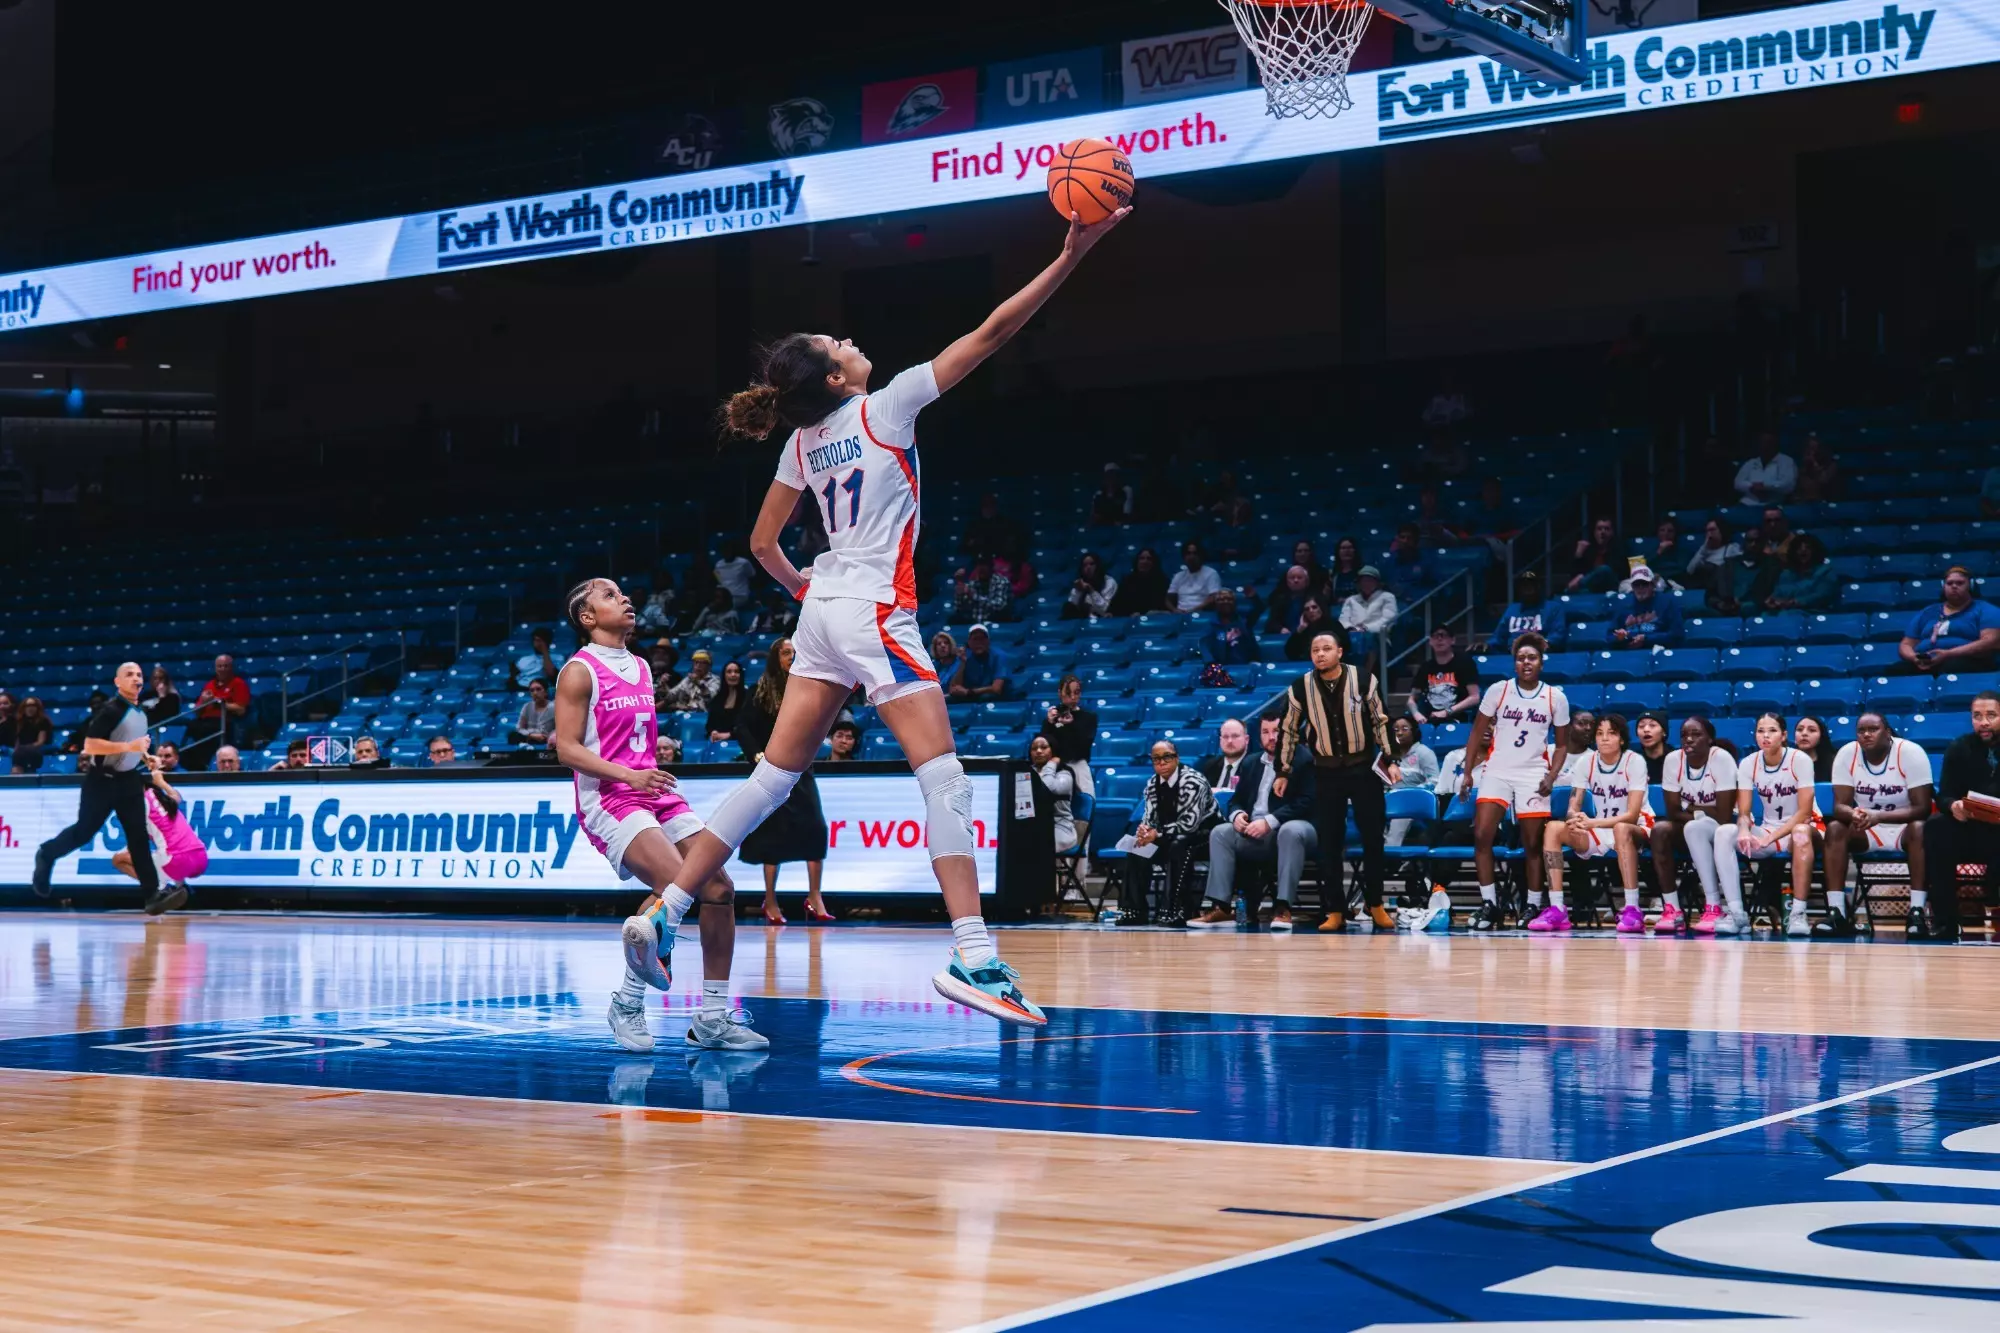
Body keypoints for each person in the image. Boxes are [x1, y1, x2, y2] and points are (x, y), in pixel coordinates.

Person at [650, 206, 1129, 1028]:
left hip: (825, 609)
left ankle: (665, 905)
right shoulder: (888, 405)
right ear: (838, 379)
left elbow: (763, 544)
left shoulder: (801, 442)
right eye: (838, 346)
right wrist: (1072, 253)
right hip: (874, 605)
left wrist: (813, 598)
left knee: (771, 777)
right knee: (942, 775)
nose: (849, 341)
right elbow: (994, 329)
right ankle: (976, 955)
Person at [552, 579, 758, 1054]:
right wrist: (630, 775)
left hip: (654, 792)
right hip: (611, 798)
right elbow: (566, 748)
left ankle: (711, 1017)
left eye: (623, 592)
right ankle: (626, 1003)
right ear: (586, 617)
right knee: (677, 889)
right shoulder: (578, 672)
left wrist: (646, 773)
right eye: (608, 595)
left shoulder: (642, 666)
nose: (624, 598)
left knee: (721, 890)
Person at [1275, 630, 1401, 933]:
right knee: (1329, 842)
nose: (1320, 654)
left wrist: (1391, 758)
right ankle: (1334, 909)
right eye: (1315, 650)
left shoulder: (1362, 679)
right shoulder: (1300, 687)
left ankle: (1376, 904)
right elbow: (1289, 730)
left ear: (1340, 652)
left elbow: (1380, 720)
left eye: (1326, 648)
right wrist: (1283, 771)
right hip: (1326, 771)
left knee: (1373, 838)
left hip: (1362, 769)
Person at [30, 662, 170, 912]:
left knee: (138, 837)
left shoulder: (140, 712)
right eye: (129, 674)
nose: (136, 678)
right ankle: (47, 853)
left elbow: (131, 744)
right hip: (101, 782)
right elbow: (91, 745)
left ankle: (152, 895)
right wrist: (130, 748)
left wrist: (146, 757)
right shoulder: (110, 710)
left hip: (128, 780)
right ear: (118, 682)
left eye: (139, 674)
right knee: (84, 832)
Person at [1457, 633, 1569, 931]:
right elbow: (1474, 734)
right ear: (1514, 663)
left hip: (1532, 773)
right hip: (1497, 770)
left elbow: (1561, 746)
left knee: (1532, 843)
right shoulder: (1499, 691)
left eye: (1532, 658)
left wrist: (1552, 775)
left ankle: (1532, 904)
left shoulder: (1555, 697)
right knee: (1482, 835)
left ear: (1541, 663)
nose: (1526, 662)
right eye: (1521, 658)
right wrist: (1468, 773)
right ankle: (1489, 904)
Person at [735, 638, 833, 926]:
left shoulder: (806, 687)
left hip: (802, 766)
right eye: (786, 652)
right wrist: (755, 753)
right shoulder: (761, 691)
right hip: (772, 768)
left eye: (795, 652)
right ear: (775, 659)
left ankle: (815, 896)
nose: (792, 656)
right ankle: (770, 899)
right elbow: (742, 726)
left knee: (816, 827)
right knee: (772, 834)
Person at [1191, 713, 1316, 931]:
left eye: (1276, 731)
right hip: (1256, 830)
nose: (1271, 737)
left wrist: (1270, 821)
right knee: (1221, 832)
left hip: (1296, 828)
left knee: (1290, 830)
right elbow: (1236, 800)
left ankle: (1282, 907)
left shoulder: (1303, 759)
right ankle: (1220, 905)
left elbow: (1307, 802)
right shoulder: (1251, 762)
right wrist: (1237, 815)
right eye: (1266, 732)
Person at [1817, 712, 1931, 938]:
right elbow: (1840, 806)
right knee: (1835, 828)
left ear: (1887, 732)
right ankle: (1837, 912)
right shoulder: (1847, 754)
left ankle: (1916, 912)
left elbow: (1923, 808)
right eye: (1861, 731)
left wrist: (1879, 816)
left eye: (1873, 729)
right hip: (1867, 827)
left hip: (1904, 828)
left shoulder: (1910, 753)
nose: (1867, 734)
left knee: (1920, 827)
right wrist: (1854, 813)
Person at [1538, 714, 1650, 933]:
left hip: (1635, 826)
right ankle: (1557, 908)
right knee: (1553, 828)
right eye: (1600, 733)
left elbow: (1632, 814)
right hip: (1598, 828)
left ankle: (1632, 908)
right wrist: (1574, 818)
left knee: (1621, 828)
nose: (1604, 738)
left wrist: (1593, 823)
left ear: (1622, 739)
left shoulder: (1634, 761)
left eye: (1611, 733)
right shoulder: (1586, 761)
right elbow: (1574, 802)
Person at [1651, 714, 1751, 936]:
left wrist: (1692, 808)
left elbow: (1723, 816)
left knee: (1696, 827)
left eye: (1696, 735)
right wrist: (1703, 811)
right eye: (1684, 735)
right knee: (1660, 831)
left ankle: (1714, 906)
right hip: (1691, 827)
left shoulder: (1721, 759)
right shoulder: (1673, 761)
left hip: (1724, 829)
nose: (1689, 740)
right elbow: (1671, 811)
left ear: (1710, 739)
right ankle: (1672, 909)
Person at [1916, 691, 2000, 942]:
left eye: (1991, 715)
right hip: (1971, 828)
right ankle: (1946, 922)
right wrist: (1953, 806)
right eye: (1977, 716)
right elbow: (1944, 796)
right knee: (1936, 827)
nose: (1983, 722)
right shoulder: (1959, 747)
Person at [1741, 712, 1822, 939]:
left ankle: (1798, 913)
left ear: (1784, 735)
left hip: (1809, 825)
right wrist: (1743, 829)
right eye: (1760, 731)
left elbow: (1805, 813)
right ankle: (1735, 911)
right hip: (1772, 828)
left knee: (1799, 832)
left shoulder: (1800, 760)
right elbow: (1744, 812)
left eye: (1772, 731)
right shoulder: (1748, 763)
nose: (1765, 736)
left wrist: (1769, 838)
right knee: (1723, 835)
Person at [1132, 739, 1218, 928]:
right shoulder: (1152, 784)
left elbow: (1190, 825)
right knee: (1136, 847)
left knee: (1179, 843)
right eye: (1156, 759)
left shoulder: (1193, 781)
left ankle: (1176, 909)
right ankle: (1135, 910)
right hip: (1169, 835)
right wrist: (1144, 831)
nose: (1161, 763)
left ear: (1177, 758)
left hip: (1206, 835)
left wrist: (1157, 833)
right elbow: (1149, 816)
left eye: (1167, 757)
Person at [111, 757, 210, 903]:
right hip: (200, 858)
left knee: (118, 859)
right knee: (166, 848)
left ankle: (159, 889)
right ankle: (181, 886)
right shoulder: (156, 794)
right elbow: (176, 797)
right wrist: (160, 780)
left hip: (177, 862)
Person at [1900, 565, 2000, 674]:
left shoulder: (1986, 609)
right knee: (1898, 670)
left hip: (1966, 660)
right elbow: (1906, 644)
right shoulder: (1927, 612)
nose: (1954, 586)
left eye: (1960, 583)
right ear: (1944, 586)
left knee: (1952, 667)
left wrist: (1949, 654)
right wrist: (1914, 657)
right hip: (1926, 661)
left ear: (1970, 586)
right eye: (1949, 583)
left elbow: (1990, 641)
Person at [1406, 625, 1481, 727]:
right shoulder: (1425, 667)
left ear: (1452, 640)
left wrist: (1447, 712)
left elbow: (1475, 697)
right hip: (1428, 719)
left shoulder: (1465, 663)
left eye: (1443, 635)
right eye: (1435, 636)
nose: (1439, 639)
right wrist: (1416, 714)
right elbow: (1412, 699)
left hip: (1457, 718)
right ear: (1430, 642)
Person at [189, 654, 252, 770]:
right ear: (215, 668)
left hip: (224, 722)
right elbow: (197, 712)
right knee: (191, 727)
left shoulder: (238, 683)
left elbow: (241, 709)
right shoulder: (209, 685)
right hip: (203, 723)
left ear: (231, 668)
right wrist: (203, 701)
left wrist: (218, 703)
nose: (222, 669)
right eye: (220, 666)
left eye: (226, 666)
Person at [1038, 673, 1096, 797]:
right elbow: (1043, 743)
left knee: (1087, 799)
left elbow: (1084, 745)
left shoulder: (1089, 717)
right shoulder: (1052, 717)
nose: (1073, 697)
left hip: (1078, 764)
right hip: (1056, 765)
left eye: (1077, 692)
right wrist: (1049, 723)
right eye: (1068, 693)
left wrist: (1071, 725)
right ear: (1060, 693)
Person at [1386, 716, 1438, 850]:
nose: (1399, 733)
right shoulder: (1389, 755)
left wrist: (1413, 793)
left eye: (1404, 729)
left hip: (1411, 801)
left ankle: (1389, 860)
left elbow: (1434, 781)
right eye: (1396, 730)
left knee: (1399, 817)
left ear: (1414, 731)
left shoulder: (1424, 753)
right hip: (1389, 799)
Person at [1604, 565, 1683, 648]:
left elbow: (1677, 635)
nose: (1640, 588)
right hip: (1630, 653)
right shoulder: (1623, 605)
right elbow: (1610, 637)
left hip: (1658, 651)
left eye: (1644, 584)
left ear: (1653, 585)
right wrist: (1620, 637)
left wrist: (1647, 639)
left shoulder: (1667, 602)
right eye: (1636, 584)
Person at [1029, 733, 1081, 855]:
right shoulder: (1026, 773)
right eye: (1034, 748)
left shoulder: (1065, 774)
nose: (1038, 751)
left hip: (1061, 828)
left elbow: (1047, 788)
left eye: (1043, 747)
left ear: (1053, 750)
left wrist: (1051, 765)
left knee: (1037, 846)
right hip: (1034, 828)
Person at [1338, 566, 1397, 671]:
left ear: (1377, 583)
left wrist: (1365, 628)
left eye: (1370, 580)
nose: (1366, 584)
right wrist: (1353, 629)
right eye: (1363, 581)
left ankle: (1365, 675)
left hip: (1378, 638)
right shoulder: (1351, 600)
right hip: (1353, 636)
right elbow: (1343, 620)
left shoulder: (1387, 597)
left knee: (1369, 639)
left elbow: (1389, 619)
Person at [1764, 534, 1838, 611]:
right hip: (1785, 614)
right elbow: (1778, 593)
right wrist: (1772, 600)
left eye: (1808, 547)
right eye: (1798, 548)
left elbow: (1823, 595)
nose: (1803, 550)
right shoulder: (1786, 574)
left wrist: (1795, 602)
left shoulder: (1825, 571)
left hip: (1814, 613)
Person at [1487, 571, 1551, 649]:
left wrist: (1545, 642)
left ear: (1539, 586)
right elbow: (1499, 636)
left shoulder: (1552, 607)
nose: (1528, 588)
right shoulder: (1512, 609)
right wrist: (1487, 645)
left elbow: (1557, 635)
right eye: (1524, 585)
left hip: (1541, 653)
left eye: (1532, 585)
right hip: (1512, 653)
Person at [1683, 516, 1740, 602]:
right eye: (1707, 531)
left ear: (1721, 530)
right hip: (1705, 588)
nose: (1709, 534)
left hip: (1724, 588)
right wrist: (1704, 548)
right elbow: (1690, 570)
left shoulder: (1732, 548)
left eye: (1712, 530)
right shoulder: (1703, 551)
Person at [948, 624, 1010, 702]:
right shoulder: (966, 656)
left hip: (1000, 699)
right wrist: (963, 663)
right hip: (975, 695)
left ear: (988, 641)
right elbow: (953, 689)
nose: (979, 643)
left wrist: (969, 692)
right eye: (975, 639)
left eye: (982, 639)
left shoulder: (999, 656)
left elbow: (996, 688)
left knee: (986, 697)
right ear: (969, 643)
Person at [1734, 431, 1796, 507]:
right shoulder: (1751, 462)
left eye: (1768, 442)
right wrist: (1751, 487)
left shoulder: (1787, 461)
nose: (1765, 446)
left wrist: (1765, 487)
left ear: (1775, 444)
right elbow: (1737, 483)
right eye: (1762, 442)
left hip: (1774, 504)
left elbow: (1788, 485)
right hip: (1748, 503)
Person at [962, 491, 1025, 562]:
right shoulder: (973, 526)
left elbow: (1013, 546)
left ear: (996, 506)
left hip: (1002, 562)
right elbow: (965, 548)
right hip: (980, 562)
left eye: (992, 504)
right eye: (986, 505)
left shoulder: (1007, 524)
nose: (989, 508)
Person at [1203, 589, 1259, 667]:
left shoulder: (1245, 622)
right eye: (1221, 599)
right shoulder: (1210, 626)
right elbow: (1205, 650)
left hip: (1244, 668)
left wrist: (1254, 598)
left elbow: (1259, 609)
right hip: (1220, 670)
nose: (1226, 601)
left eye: (1229, 599)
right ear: (1215, 604)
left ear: (1235, 602)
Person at [953, 553, 1014, 623]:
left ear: (991, 567)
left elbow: (999, 606)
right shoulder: (972, 584)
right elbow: (959, 609)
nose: (981, 568)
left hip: (996, 624)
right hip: (975, 625)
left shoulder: (1001, 582)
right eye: (979, 565)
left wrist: (974, 596)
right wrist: (959, 594)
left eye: (984, 565)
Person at [1198, 717, 1252, 796]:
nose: (1229, 741)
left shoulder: (1254, 767)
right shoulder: (1210, 766)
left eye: (1235, 736)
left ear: (1246, 739)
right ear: (1220, 740)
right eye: (1225, 737)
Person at [1564, 517, 1619, 594]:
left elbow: (1615, 573)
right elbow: (1575, 575)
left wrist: (1581, 579)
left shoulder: (1619, 549)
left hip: (1611, 588)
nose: (1602, 532)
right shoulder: (1589, 551)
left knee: (1604, 569)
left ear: (1612, 532)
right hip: (1591, 590)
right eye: (1599, 529)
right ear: (1594, 533)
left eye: (1606, 529)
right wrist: (1578, 555)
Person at [1107, 548, 1167, 617]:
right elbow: (1117, 604)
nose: (1145, 561)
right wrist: (1111, 613)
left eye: (1149, 559)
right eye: (1141, 558)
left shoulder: (1162, 581)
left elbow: (1162, 606)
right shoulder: (1127, 581)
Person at [1167, 540, 1222, 614]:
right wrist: (1174, 610)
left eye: (1195, 553)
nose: (1191, 557)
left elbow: (1213, 597)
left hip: (1202, 613)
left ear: (1200, 555)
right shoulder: (1178, 576)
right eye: (1188, 554)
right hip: (1180, 613)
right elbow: (1168, 598)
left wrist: (1192, 610)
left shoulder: (1211, 573)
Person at [1381, 523, 1431, 602]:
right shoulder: (1388, 562)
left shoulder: (1427, 562)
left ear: (1416, 540)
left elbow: (1435, 588)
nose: (1405, 541)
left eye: (1409, 538)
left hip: (1418, 606)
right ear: (1397, 539)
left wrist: (1412, 595)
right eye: (1402, 537)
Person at [662, 649, 721, 713]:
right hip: (684, 714)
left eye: (702, 663)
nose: (698, 666)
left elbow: (709, 698)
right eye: (696, 662)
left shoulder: (715, 680)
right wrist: (664, 684)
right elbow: (671, 696)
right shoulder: (688, 679)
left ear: (709, 666)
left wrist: (698, 684)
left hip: (703, 716)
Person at [1062, 552, 1117, 620]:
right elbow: (1072, 608)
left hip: (1102, 620)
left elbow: (1105, 610)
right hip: (1082, 619)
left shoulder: (1109, 582)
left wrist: (1091, 591)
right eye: (1085, 565)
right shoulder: (1080, 583)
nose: (1088, 568)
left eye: (1091, 564)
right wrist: (1079, 591)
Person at [7, 694, 54, 772]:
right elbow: (17, 740)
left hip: (36, 750)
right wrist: (18, 749)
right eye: (27, 706)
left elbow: (40, 742)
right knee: (16, 758)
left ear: (37, 708)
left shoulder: (43, 721)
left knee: (26, 753)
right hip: (20, 751)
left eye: (33, 706)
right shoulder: (19, 722)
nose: (30, 708)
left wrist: (25, 748)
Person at [1283, 597, 1340, 662]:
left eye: (1314, 607)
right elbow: (1290, 652)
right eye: (1307, 609)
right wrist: (1299, 630)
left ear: (1321, 608)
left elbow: (1346, 647)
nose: (1311, 611)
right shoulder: (1303, 630)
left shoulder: (1334, 625)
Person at [1263, 564, 1315, 634]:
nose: (1296, 580)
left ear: (1306, 581)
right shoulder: (1279, 599)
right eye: (1292, 578)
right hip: (1284, 637)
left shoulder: (1315, 599)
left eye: (1299, 578)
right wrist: (1280, 629)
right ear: (1287, 582)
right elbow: (1272, 623)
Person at [705, 660, 747, 744]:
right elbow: (710, 725)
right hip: (718, 742)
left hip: (741, 742)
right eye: (729, 672)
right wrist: (713, 732)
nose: (733, 675)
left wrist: (730, 734)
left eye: (736, 672)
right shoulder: (717, 699)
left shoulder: (748, 697)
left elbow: (750, 725)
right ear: (724, 676)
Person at [1794, 432, 1841, 501]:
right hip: (1803, 501)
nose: (1812, 452)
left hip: (1825, 499)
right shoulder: (1798, 464)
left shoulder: (1830, 464)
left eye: (1814, 448)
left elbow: (1823, 480)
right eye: (1809, 448)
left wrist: (1814, 464)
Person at [713, 537, 756, 609]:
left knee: (724, 608)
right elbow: (719, 581)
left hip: (740, 596)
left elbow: (752, 576)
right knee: (709, 608)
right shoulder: (718, 565)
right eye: (724, 550)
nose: (726, 552)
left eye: (728, 550)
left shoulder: (743, 562)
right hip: (723, 597)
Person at [1793, 715, 1836, 782]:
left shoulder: (1834, 764)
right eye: (1799, 729)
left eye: (1812, 730)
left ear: (1821, 737)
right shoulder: (1786, 761)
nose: (1804, 733)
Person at [513, 678, 556, 746]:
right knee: (513, 735)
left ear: (546, 692)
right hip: (529, 738)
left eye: (538, 689)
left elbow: (559, 729)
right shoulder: (527, 706)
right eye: (532, 690)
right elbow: (519, 728)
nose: (535, 693)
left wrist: (548, 736)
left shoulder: (554, 707)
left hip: (547, 740)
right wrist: (531, 735)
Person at [1634, 711, 1671, 785]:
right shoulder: (1633, 760)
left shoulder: (1676, 758)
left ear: (1664, 732)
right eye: (1641, 726)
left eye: (1652, 725)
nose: (1646, 729)